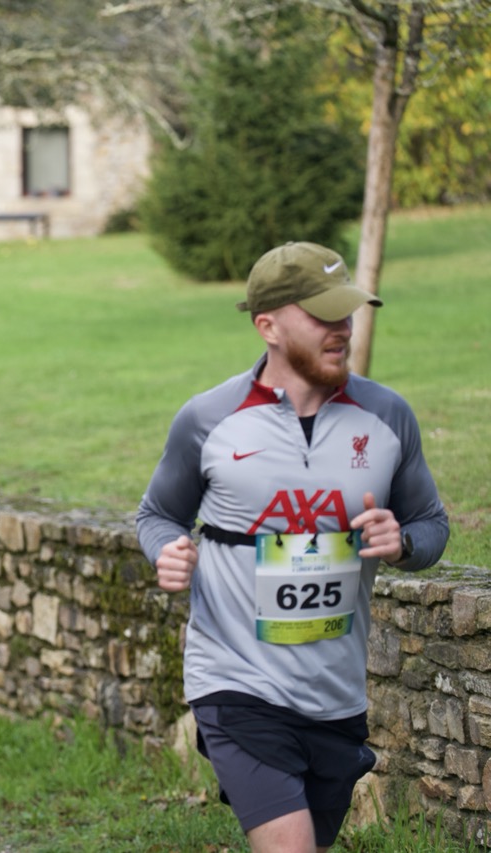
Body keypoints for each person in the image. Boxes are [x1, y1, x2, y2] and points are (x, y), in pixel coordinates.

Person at [136, 241, 449, 852]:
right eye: (323, 315)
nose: (343, 329)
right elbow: (158, 515)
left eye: (347, 312)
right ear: (268, 326)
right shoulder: (208, 419)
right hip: (234, 679)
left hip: (335, 693)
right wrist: (167, 550)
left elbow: (431, 523)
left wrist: (404, 541)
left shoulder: (387, 416)